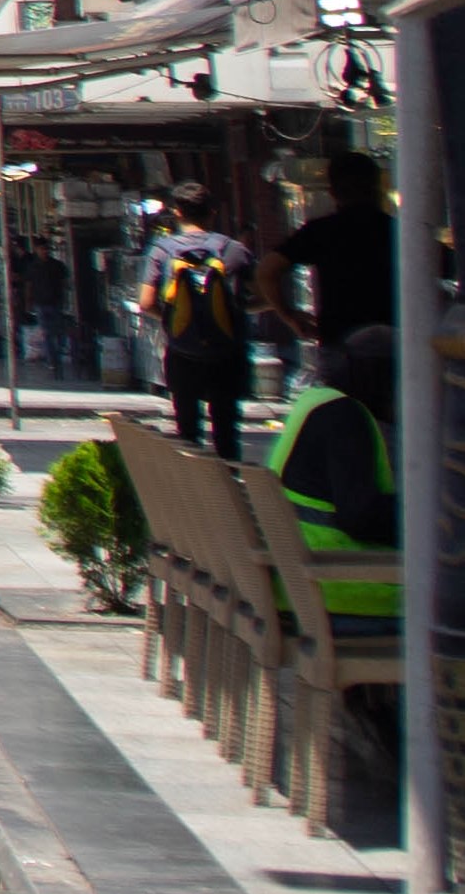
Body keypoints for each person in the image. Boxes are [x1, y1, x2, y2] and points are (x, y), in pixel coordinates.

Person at [265, 326, 401, 620]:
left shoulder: (316, 402)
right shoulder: (347, 419)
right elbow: (359, 518)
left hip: (298, 586)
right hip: (337, 592)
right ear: (382, 378)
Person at [136, 184, 256, 459]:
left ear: (177, 213)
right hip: (228, 354)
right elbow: (263, 297)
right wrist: (236, 309)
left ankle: (195, 496)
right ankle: (230, 490)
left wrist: (174, 318)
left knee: (188, 431)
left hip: (182, 354)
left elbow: (145, 303)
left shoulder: (162, 251)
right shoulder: (234, 250)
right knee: (227, 431)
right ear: (212, 212)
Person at [270, 148, 396, 346]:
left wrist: (290, 316)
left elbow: (266, 271)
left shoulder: (320, 232)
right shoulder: (398, 232)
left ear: (333, 192)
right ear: (378, 188)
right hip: (399, 346)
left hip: (339, 345)